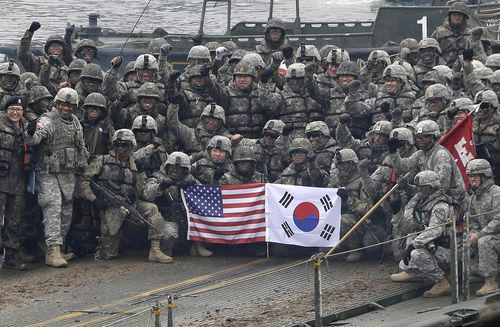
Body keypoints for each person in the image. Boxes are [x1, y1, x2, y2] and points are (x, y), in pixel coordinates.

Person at [79, 129, 172, 263]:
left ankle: (155, 251)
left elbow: (142, 192)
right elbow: (84, 181)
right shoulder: (103, 161)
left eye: (124, 145)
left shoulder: (134, 164)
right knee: (109, 253)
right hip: (110, 206)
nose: (120, 148)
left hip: (130, 203)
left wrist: (140, 172)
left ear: (131, 146)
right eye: (117, 145)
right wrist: (94, 199)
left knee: (152, 209)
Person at [24, 87, 88, 268]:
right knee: (53, 207)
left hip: (68, 173)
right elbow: (34, 139)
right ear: (57, 104)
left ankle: (56, 250)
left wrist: (83, 164)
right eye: (64, 104)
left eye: (70, 105)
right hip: (48, 172)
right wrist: (30, 132)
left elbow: (80, 146)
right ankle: (52, 250)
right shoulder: (47, 120)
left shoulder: (75, 122)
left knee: (66, 210)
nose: (67, 108)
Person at [390, 170, 458, 298]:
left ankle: (442, 283)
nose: (418, 190)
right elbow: (410, 227)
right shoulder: (421, 203)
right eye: (418, 187)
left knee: (416, 255)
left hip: (450, 249)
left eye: (422, 187)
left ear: (430, 187)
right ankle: (430, 274)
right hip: (434, 247)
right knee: (404, 264)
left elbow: (435, 230)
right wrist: (397, 212)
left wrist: (413, 245)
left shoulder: (440, 205)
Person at [143, 151, 211, 257]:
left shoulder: (189, 178)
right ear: (167, 167)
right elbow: (147, 194)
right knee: (168, 234)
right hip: (166, 218)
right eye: (172, 167)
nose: (175, 170)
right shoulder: (157, 177)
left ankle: (197, 245)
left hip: (185, 218)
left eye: (179, 168)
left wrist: (192, 186)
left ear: (185, 170)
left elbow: (205, 196)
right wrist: (161, 187)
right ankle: (164, 251)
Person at [385, 119, 466, 203]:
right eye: (418, 137)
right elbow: (402, 167)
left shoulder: (441, 155)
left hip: (453, 201)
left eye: (425, 136)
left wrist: (418, 200)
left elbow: (441, 187)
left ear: (434, 137)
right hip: (434, 197)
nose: (420, 140)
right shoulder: (420, 154)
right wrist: (393, 152)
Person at [328, 149, 376, 262]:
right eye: (338, 164)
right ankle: (339, 246)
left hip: (360, 221)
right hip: (338, 215)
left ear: (352, 164)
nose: (341, 167)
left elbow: (368, 208)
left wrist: (348, 199)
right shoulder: (336, 179)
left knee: (343, 220)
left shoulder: (362, 180)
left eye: (343, 164)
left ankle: (356, 248)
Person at [0, 97, 29, 270]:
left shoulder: (28, 127)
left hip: (18, 180)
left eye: (18, 109)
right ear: (6, 110)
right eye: (12, 109)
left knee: (14, 220)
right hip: (1, 178)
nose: (15, 112)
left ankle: (11, 256)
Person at [466, 159, 500, 296]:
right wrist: (473, 234)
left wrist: (479, 235)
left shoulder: (496, 192)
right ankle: (476, 273)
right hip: (489, 235)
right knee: (466, 241)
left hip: (495, 235)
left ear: (485, 176)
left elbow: (499, 219)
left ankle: (491, 281)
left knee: (484, 242)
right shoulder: (473, 198)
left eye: (475, 175)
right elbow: (473, 221)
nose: (471, 179)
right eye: (469, 176)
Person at [430, 1, 487, 67]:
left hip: (466, 68)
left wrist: (476, 41)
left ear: (465, 17)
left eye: (459, 15)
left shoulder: (472, 34)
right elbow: (431, 52)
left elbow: (481, 57)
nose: (457, 18)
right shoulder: (439, 33)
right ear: (450, 16)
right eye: (454, 15)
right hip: (444, 69)